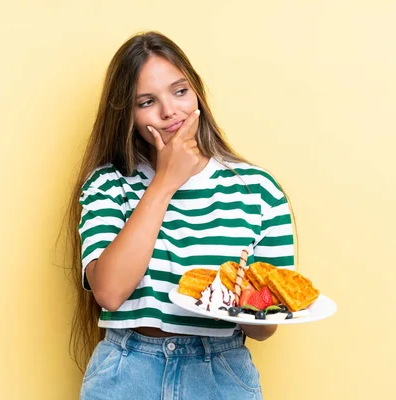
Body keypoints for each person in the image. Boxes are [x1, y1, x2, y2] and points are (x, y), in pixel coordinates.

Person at [65, 31, 295, 399]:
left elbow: (266, 327)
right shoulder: (109, 184)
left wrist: (248, 306)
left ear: (197, 93)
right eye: (146, 101)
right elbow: (108, 292)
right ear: (128, 114)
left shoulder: (258, 189)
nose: (169, 111)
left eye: (180, 91)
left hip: (220, 374)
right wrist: (165, 182)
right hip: (127, 373)